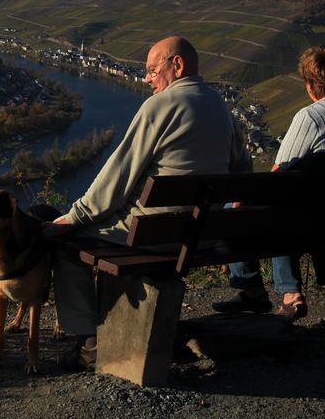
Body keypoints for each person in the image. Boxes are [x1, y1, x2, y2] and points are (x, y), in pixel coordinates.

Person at [46, 35, 251, 368]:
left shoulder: (161, 106)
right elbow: (242, 170)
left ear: (178, 65)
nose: (146, 79)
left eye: (152, 70)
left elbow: (118, 175)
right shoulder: (219, 105)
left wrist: (75, 217)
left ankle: (89, 341)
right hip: (202, 234)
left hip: (153, 235)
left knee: (68, 246)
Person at [212, 45, 325, 319]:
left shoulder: (311, 116)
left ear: (311, 85)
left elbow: (279, 174)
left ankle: (257, 290)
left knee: (241, 208)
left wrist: (240, 200)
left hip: (321, 219)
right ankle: (286, 293)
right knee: (291, 208)